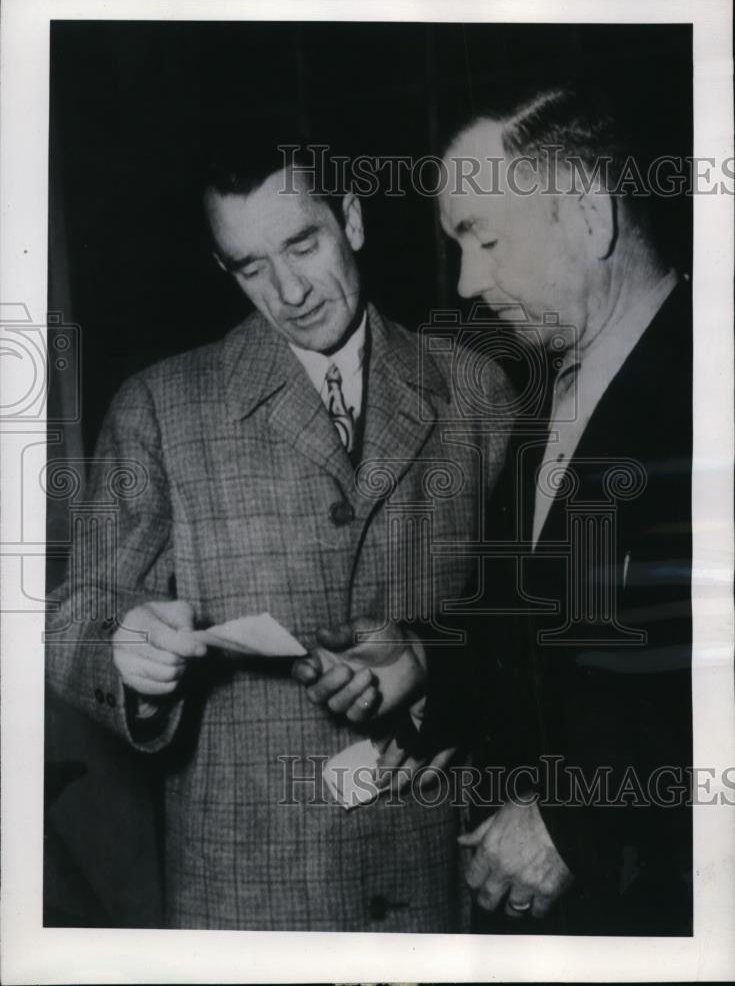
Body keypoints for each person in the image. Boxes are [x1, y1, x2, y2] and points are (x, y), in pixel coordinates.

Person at [45, 139, 515, 931]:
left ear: (352, 221)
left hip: (437, 869)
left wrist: (445, 686)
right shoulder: (161, 406)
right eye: (251, 266)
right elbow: (72, 613)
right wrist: (121, 645)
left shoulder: (475, 394)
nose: (290, 289)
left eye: (303, 243)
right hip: (248, 884)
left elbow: (523, 629)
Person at [300, 87, 693, 935]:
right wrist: (423, 661)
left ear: (589, 214)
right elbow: (556, 625)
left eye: (483, 237)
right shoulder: (548, 385)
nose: (469, 283)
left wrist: (575, 820)